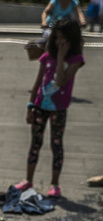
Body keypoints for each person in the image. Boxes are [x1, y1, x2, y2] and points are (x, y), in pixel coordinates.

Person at [14, 19, 85, 200]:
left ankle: (54, 184)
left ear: (72, 40)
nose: (59, 42)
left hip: (58, 109)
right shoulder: (46, 57)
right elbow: (38, 83)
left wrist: (61, 58)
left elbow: (61, 81)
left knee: (56, 145)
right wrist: (30, 105)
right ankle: (28, 180)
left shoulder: (76, 60)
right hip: (39, 106)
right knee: (35, 144)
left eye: (64, 39)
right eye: (57, 38)